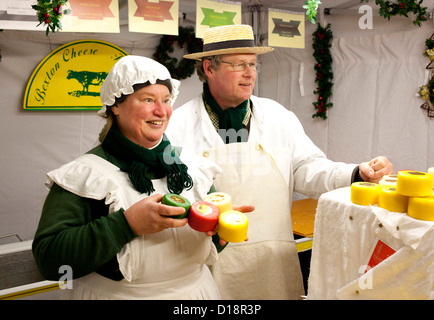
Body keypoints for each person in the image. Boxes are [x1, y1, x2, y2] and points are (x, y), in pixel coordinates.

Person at [165, 24, 394, 300]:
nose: (250, 73)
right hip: (208, 261)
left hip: (273, 261)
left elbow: (307, 169)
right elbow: (170, 193)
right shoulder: (177, 125)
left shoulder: (278, 117)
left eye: (253, 64)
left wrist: (357, 173)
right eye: (239, 64)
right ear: (209, 69)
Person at [32, 55, 237, 299]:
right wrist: (126, 225)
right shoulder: (85, 175)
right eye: (148, 100)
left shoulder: (192, 168)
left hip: (196, 295)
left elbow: (205, 247)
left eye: (166, 100)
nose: (161, 111)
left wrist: (220, 231)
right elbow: (49, 260)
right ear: (115, 106)